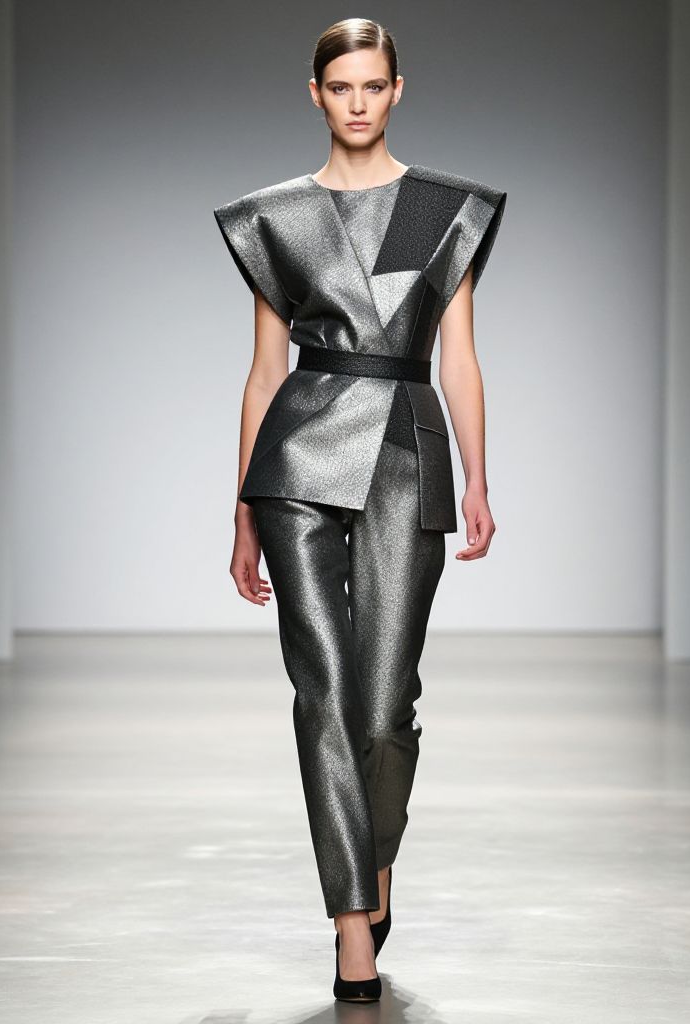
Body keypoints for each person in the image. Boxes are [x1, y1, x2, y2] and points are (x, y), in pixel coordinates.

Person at [213, 18, 506, 1004]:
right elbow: (264, 373)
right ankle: (350, 925)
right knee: (325, 694)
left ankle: (374, 858)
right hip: (297, 458)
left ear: (396, 90)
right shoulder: (278, 217)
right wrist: (242, 508)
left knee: (384, 707)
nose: (356, 102)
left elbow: (459, 355)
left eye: (372, 85)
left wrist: (477, 475)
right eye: (340, 86)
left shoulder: (441, 209)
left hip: (403, 453)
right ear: (315, 93)